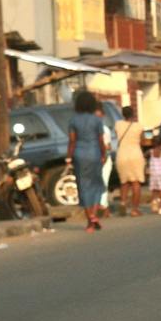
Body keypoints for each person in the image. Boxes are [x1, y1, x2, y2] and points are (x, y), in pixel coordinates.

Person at [64, 89, 110, 232]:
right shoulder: (96, 120)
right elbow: (101, 140)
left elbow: (72, 140)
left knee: (83, 186)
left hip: (79, 155)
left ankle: (90, 219)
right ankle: (94, 216)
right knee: (96, 184)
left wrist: (69, 157)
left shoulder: (73, 120)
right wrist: (103, 154)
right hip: (95, 153)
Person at [112, 104, 145, 218]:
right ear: (133, 114)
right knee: (136, 182)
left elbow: (117, 135)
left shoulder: (118, 124)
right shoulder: (139, 126)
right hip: (135, 154)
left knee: (124, 182)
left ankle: (123, 203)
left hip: (122, 154)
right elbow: (142, 140)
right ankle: (134, 209)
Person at [145, 136, 161, 215]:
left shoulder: (150, 152)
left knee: (154, 191)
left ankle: (154, 206)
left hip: (153, 174)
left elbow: (144, 156)